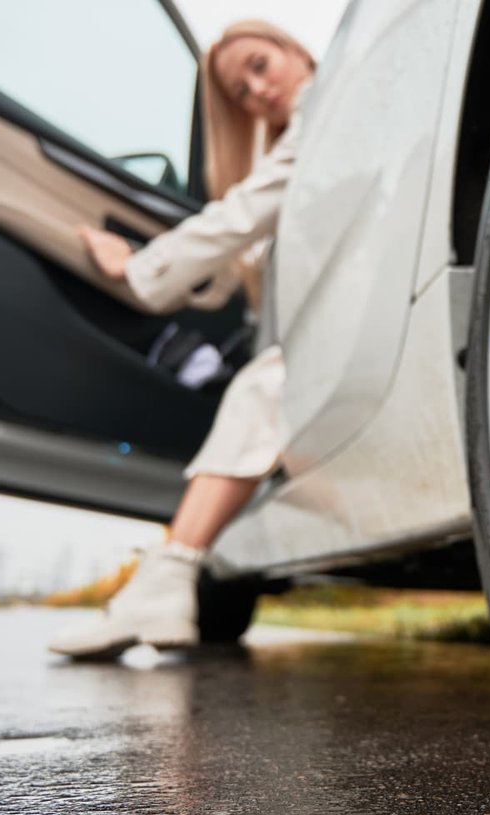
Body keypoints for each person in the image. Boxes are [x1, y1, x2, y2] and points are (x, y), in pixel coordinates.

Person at [47, 20, 315, 660]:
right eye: (241, 92)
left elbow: (240, 214)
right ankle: (163, 582)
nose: (257, 90)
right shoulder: (293, 142)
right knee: (259, 386)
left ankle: (162, 584)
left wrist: (138, 267)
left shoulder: (325, 109)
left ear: (295, 49)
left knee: (263, 386)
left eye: (260, 64)